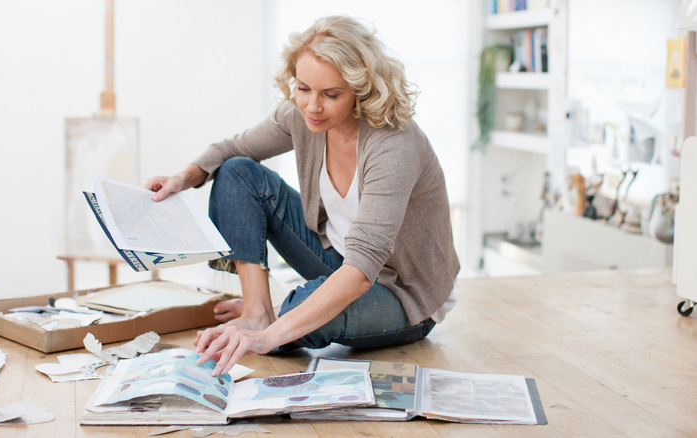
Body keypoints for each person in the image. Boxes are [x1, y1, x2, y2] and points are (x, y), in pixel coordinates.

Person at [144, 15, 460, 376]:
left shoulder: (394, 144)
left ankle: (272, 324)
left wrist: (267, 339)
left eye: (331, 94)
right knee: (237, 172)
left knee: (302, 308)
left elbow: (361, 270)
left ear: (362, 88)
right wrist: (184, 177)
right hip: (338, 260)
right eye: (304, 88)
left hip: (402, 295)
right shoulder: (304, 116)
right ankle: (256, 311)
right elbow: (232, 148)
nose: (312, 106)